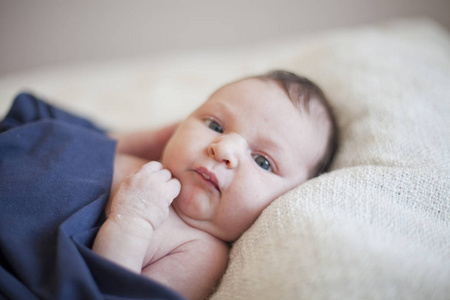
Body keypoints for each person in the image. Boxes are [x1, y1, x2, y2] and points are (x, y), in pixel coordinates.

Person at [92, 70, 338, 300]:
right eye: (214, 126)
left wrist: (132, 222)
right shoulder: (143, 159)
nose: (223, 149)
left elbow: (115, 294)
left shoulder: (200, 254)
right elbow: (77, 143)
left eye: (262, 161)